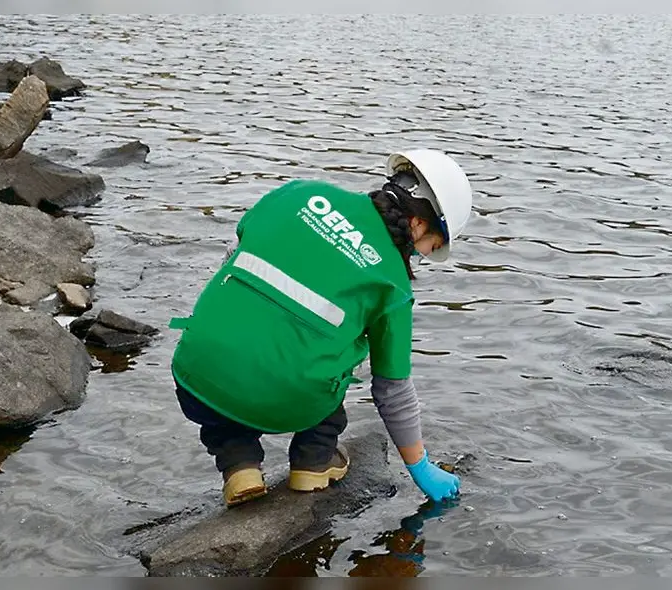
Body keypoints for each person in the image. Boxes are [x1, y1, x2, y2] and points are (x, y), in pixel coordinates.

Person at [167, 149, 473, 508]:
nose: (419, 257)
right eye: (429, 248)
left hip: (197, 374)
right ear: (421, 223)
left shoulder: (298, 193)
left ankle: (238, 463)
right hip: (291, 401)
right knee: (340, 350)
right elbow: (392, 390)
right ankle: (314, 459)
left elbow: (231, 261)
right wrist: (420, 467)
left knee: (250, 336)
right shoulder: (393, 283)